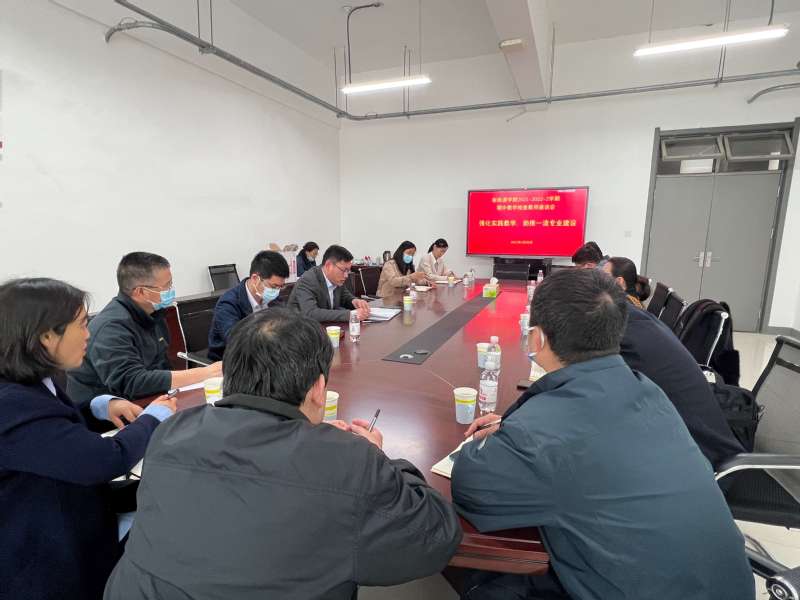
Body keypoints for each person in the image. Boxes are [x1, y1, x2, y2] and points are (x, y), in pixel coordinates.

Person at [104, 308, 462, 599]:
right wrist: (379, 459)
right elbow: (437, 538)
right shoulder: (349, 461)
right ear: (319, 388)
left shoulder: (171, 431)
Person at [450, 269, 754, 600]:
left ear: (536, 339)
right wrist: (522, 424)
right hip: (725, 585)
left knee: (484, 579)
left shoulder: (541, 435)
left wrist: (516, 432)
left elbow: (471, 487)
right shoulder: (645, 388)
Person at [0, 278, 176, 600]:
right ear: (46, 336)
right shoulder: (10, 404)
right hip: (47, 559)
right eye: (81, 325)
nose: (88, 335)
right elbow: (105, 460)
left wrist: (97, 408)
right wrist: (153, 419)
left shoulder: (32, 380)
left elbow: (51, 430)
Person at [603, 257, 744, 469]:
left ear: (619, 283)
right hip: (689, 442)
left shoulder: (626, 330)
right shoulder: (636, 320)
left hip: (701, 463)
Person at [67, 252, 222, 406]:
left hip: (150, 400)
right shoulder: (110, 328)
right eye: (166, 286)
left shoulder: (154, 314)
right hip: (108, 413)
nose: (171, 290)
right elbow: (132, 381)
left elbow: (161, 366)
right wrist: (205, 373)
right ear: (141, 292)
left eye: (171, 284)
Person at [207, 250, 289, 361]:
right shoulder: (228, 303)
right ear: (255, 279)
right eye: (274, 286)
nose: (277, 292)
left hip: (267, 357)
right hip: (232, 361)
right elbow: (237, 342)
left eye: (281, 287)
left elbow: (287, 325)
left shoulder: (275, 299)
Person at [288, 244, 370, 323]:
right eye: (344, 270)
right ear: (328, 265)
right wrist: (350, 315)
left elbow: (344, 296)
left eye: (348, 271)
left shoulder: (336, 279)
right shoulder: (308, 280)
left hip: (326, 327)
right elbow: (311, 313)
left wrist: (354, 301)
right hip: (300, 328)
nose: (346, 275)